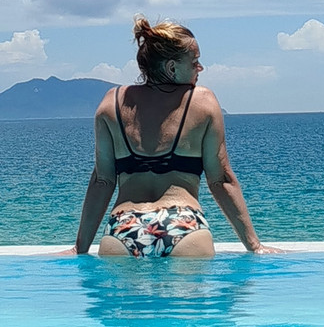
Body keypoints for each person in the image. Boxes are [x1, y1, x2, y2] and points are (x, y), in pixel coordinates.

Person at [71, 16, 278, 257]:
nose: (200, 68)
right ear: (171, 68)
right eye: (195, 62)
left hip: (125, 225)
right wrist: (254, 245)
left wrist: (80, 249)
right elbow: (220, 180)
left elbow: (102, 181)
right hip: (182, 223)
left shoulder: (112, 103)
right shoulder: (202, 101)